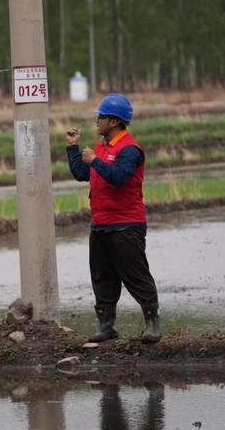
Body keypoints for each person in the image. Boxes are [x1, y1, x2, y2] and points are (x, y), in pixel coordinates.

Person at [65, 93, 161, 344]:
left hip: (127, 225)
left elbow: (119, 177)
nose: (97, 120)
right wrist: (73, 148)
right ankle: (106, 327)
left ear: (114, 121)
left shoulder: (130, 149)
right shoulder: (102, 147)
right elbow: (81, 174)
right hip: (100, 225)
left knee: (135, 275)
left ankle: (152, 325)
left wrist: (96, 161)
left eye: (101, 117)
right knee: (102, 277)